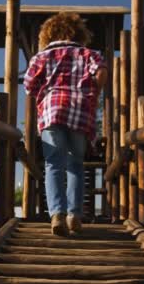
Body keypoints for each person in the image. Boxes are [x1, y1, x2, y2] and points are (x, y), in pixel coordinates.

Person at [24, 12, 107, 236]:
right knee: (76, 165)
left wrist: (44, 93)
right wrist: (94, 93)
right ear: (79, 33)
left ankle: (57, 214)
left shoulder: (42, 57)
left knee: (53, 163)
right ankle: (74, 215)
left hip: (52, 111)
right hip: (80, 111)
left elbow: (29, 85)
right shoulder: (89, 53)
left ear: (48, 34)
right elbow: (101, 72)